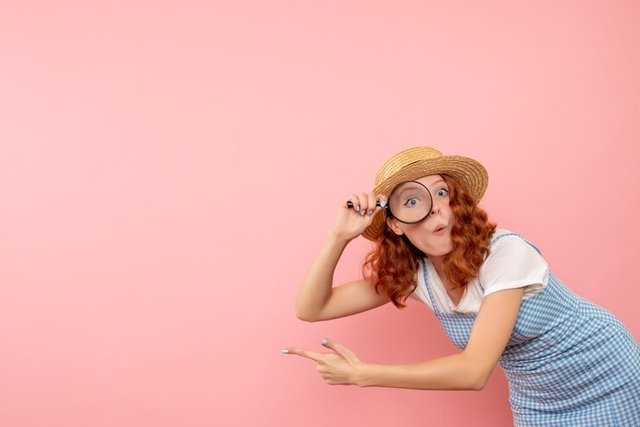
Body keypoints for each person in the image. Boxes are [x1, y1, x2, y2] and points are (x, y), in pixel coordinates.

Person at [282, 146, 639, 426]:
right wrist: (338, 236)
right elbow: (312, 309)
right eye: (413, 200)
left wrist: (364, 374)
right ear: (395, 225)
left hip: (607, 375)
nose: (437, 209)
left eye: (443, 193)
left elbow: (474, 371)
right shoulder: (415, 276)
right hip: (539, 398)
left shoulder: (506, 253)